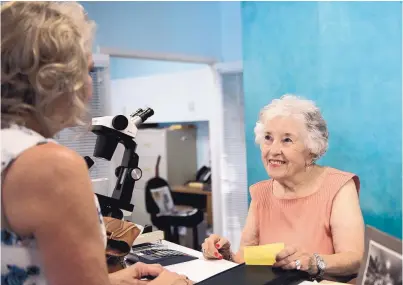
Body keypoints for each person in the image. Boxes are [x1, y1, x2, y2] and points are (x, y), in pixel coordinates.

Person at [1, 2, 192, 285]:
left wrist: (113, 281)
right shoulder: (50, 166)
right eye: (87, 71)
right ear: (54, 79)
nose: (90, 88)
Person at [202, 95, 365, 279]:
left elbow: (354, 260)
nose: (273, 150)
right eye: (268, 138)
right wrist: (226, 256)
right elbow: (247, 259)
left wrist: (314, 262)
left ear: (312, 148)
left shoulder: (339, 187)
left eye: (287, 140)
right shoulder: (261, 192)